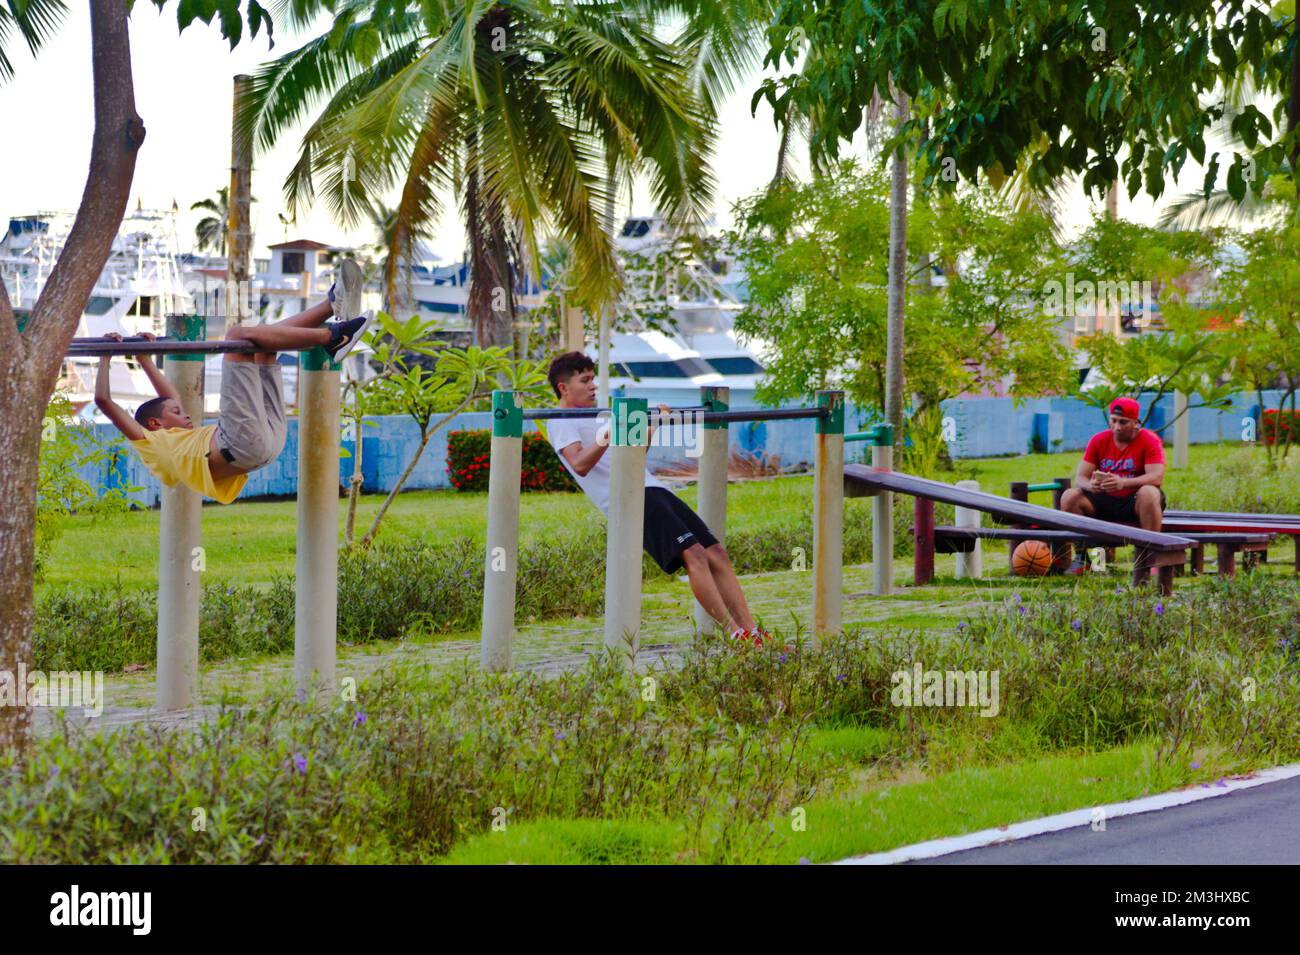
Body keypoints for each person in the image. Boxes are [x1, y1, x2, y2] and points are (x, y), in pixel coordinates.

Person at [94, 262, 371, 504]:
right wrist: (105, 356)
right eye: (176, 413)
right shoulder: (150, 445)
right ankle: (332, 338)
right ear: (155, 424)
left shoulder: (174, 439)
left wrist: (145, 360)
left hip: (265, 444)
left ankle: (331, 305)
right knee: (237, 336)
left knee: (262, 349)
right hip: (240, 445)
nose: (185, 412)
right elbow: (103, 402)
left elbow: (169, 400)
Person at [544, 351, 768, 644]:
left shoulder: (599, 416)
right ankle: (734, 636)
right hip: (630, 498)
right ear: (563, 387)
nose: (593, 386)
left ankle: (752, 631)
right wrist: (611, 430)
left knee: (717, 553)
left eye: (592, 380)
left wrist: (653, 426)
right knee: (695, 555)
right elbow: (580, 464)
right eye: (585, 380)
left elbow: (634, 455)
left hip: (654, 488)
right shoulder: (562, 420)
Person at [1059, 397, 1167, 570]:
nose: (1117, 427)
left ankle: (1149, 560)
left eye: (1123, 422)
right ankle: (1089, 560)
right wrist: (1090, 486)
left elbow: (1156, 477)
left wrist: (1123, 483)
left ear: (1136, 423)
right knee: (1069, 496)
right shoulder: (1098, 440)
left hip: (1134, 503)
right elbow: (1080, 478)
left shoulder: (1150, 440)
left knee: (1149, 492)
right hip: (1103, 502)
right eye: (1113, 421)